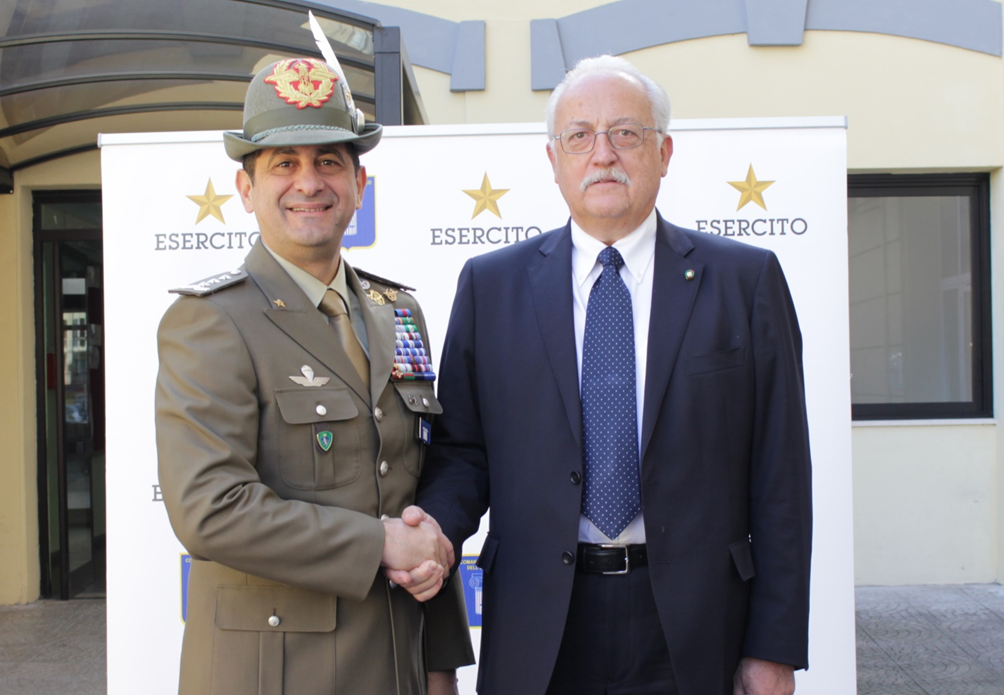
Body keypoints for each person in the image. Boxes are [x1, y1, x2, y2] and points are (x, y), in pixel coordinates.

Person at [402, 55, 812, 695]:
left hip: (699, 626)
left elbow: (782, 478)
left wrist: (774, 648)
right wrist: (430, 535)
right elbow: (462, 453)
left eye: (626, 133)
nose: (603, 154)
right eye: (579, 136)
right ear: (554, 159)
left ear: (664, 151)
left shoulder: (745, 281)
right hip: (541, 623)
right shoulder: (491, 286)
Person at [155, 57, 473, 695]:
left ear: (359, 183)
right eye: (284, 163)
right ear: (246, 190)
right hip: (274, 674)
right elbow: (209, 510)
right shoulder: (209, 321)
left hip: (396, 666)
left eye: (329, 161)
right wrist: (377, 544)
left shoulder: (398, 312)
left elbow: (413, 490)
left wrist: (439, 663)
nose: (309, 182)